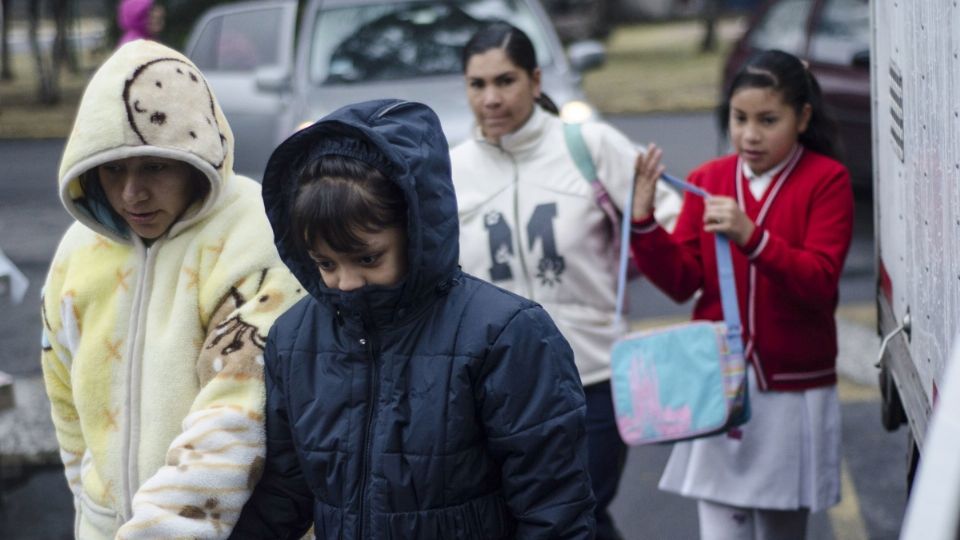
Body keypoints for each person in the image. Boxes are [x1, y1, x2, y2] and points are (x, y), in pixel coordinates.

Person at [229, 98, 596, 539]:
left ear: (418, 226)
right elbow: (283, 495)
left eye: (367, 257)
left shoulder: (507, 335)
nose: (345, 282)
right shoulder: (293, 338)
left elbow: (553, 512)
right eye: (325, 264)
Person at [39, 40, 303, 539]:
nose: (130, 193)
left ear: (195, 155)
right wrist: (91, 512)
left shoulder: (252, 236)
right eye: (113, 168)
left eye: (154, 166)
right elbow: (64, 398)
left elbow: (237, 413)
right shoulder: (77, 251)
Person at [450, 22, 680, 540]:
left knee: (581, 516)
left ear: (535, 80)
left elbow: (673, 218)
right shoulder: (452, 169)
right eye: (477, 84)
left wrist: (643, 222)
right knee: (515, 521)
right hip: (494, 389)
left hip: (592, 379)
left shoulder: (588, 145)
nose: (491, 98)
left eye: (505, 81)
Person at [630, 49, 854, 540]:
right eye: (739, 118)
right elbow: (683, 281)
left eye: (768, 120)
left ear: (803, 118)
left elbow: (819, 281)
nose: (750, 134)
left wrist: (752, 237)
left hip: (791, 388)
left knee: (780, 532)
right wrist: (644, 224)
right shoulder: (709, 180)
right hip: (719, 386)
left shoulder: (827, 180)